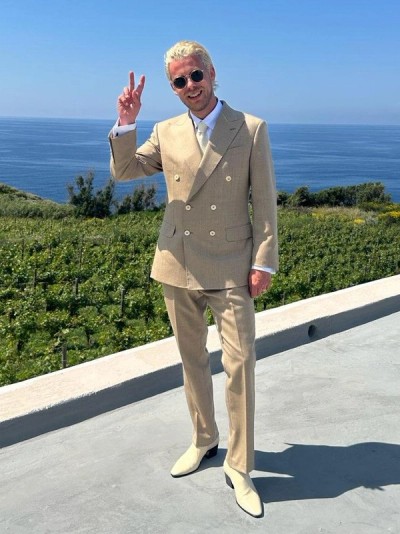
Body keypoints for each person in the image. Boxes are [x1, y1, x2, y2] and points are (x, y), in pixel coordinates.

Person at [109, 40, 278, 518]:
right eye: (179, 81)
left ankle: (240, 466)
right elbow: (125, 171)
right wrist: (126, 122)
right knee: (192, 360)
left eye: (195, 76)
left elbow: (265, 202)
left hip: (231, 265)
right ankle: (204, 439)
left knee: (240, 363)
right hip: (178, 260)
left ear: (211, 72)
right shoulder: (165, 131)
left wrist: (263, 261)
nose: (189, 86)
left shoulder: (249, 128)